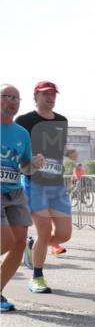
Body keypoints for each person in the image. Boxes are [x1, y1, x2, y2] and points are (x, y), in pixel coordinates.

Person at [16, 81, 77, 293]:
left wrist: (68, 151)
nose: (50, 97)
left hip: (56, 184)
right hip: (34, 182)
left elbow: (57, 147)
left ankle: (33, 248)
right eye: (46, 94)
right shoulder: (24, 120)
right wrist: (31, 159)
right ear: (36, 96)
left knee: (63, 234)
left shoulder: (62, 120)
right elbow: (18, 150)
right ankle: (37, 277)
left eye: (53, 94)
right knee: (44, 232)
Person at [1, 85, 44, 311]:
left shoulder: (21, 133)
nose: (12, 101)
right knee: (5, 241)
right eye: (6, 96)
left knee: (18, 244)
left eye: (16, 98)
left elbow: (26, 168)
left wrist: (34, 164)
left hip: (14, 192)